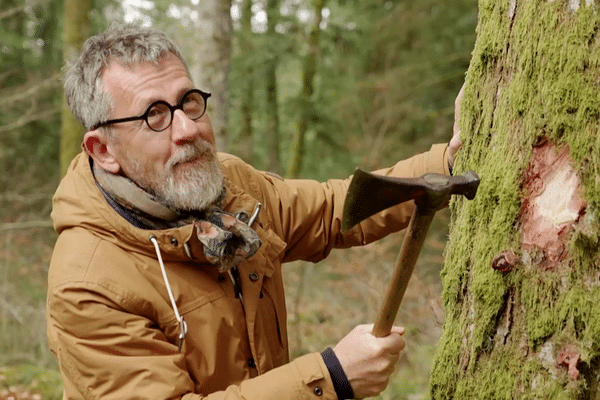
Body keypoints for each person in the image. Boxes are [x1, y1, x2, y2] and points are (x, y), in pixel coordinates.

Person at [47, 23, 462, 400]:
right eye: (153, 115)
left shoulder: (231, 187)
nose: (188, 129)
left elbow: (335, 209)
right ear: (102, 151)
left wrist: (449, 162)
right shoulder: (87, 285)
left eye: (188, 102)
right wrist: (332, 377)